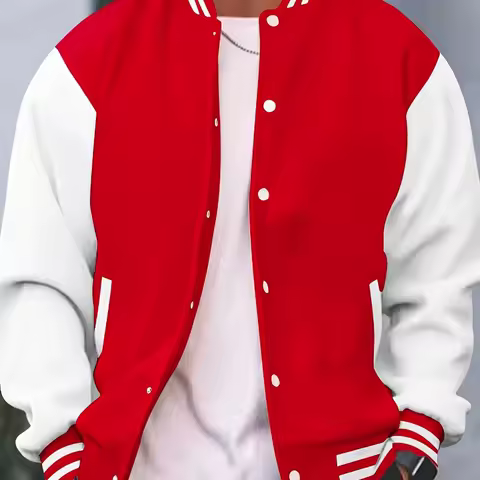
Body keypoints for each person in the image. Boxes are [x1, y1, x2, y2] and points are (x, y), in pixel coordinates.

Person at [0, 0, 480, 479]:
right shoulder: (86, 67)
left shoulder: (400, 62)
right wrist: (62, 446)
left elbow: (436, 278)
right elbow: (41, 278)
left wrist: (415, 441)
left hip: (347, 466)